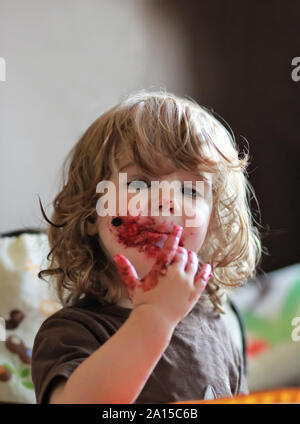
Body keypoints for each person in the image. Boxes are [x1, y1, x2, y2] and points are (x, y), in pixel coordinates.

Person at [32, 89, 262, 404]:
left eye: (190, 190)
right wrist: (154, 318)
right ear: (89, 212)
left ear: (212, 227)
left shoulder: (219, 323)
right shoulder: (71, 333)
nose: (167, 201)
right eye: (139, 183)